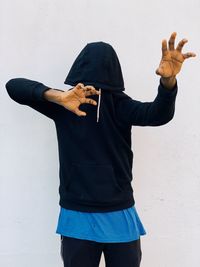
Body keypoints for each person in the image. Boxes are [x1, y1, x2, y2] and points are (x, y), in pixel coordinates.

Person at [5, 32, 196, 267]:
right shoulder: (64, 104)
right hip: (77, 214)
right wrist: (56, 97)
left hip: (120, 213)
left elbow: (158, 114)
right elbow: (13, 86)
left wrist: (168, 84)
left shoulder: (121, 105)